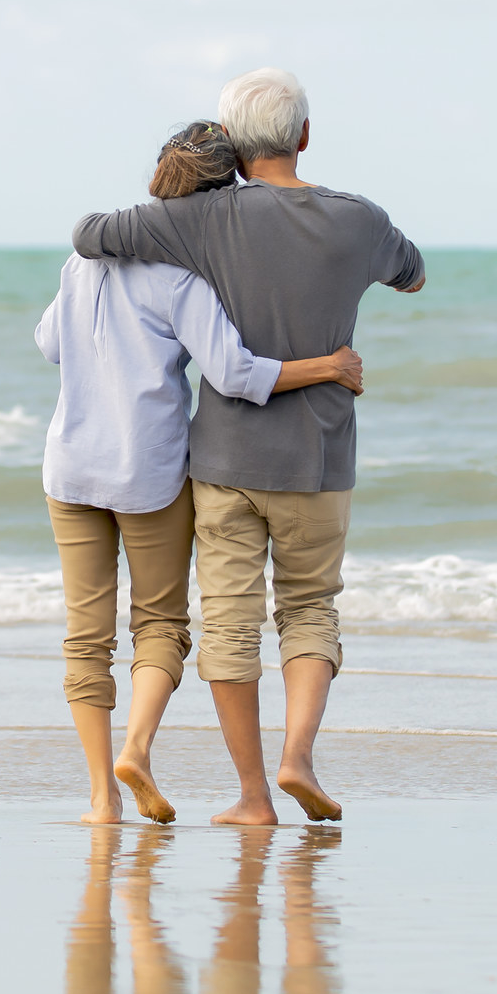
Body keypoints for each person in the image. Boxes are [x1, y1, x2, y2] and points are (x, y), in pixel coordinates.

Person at [72, 68, 426, 827]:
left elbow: (91, 235)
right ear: (303, 136)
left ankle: (255, 797)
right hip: (322, 459)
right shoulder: (359, 219)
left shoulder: (201, 222)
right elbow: (413, 274)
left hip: (226, 463)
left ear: (233, 144)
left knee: (230, 625)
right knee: (309, 610)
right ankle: (299, 754)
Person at [38, 120, 363, 826]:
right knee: (160, 623)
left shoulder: (80, 264)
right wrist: (328, 366)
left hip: (69, 467)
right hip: (147, 472)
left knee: (85, 633)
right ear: (220, 200)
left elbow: (48, 344)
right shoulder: (182, 278)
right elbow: (236, 373)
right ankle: (138, 748)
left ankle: (102, 797)